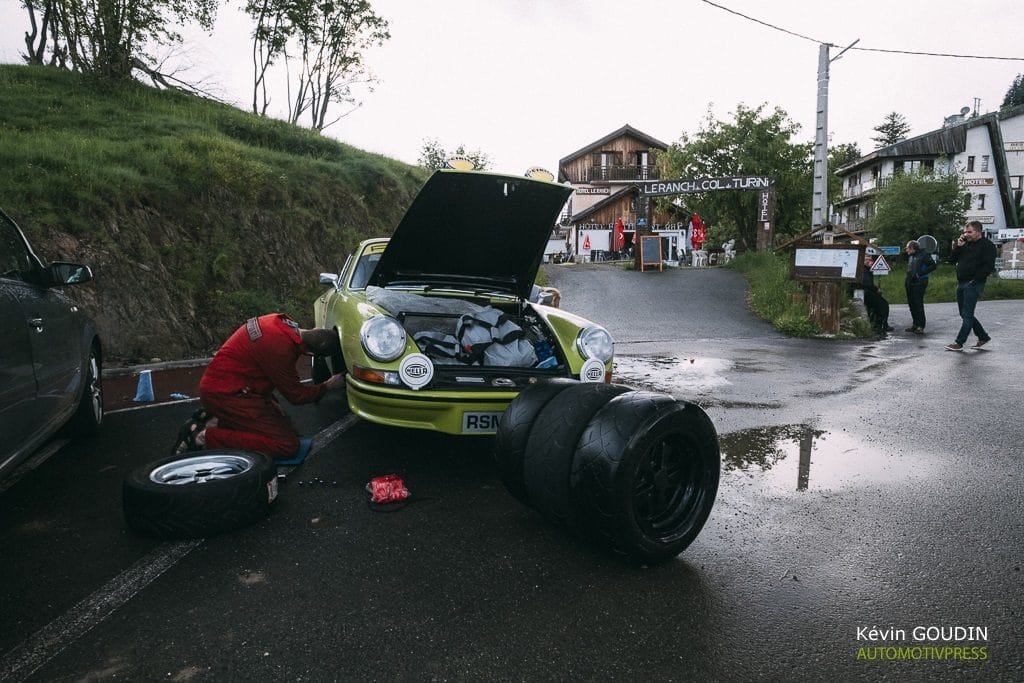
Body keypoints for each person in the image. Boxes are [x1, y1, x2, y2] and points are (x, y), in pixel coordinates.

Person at [173, 313, 345, 459]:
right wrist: (327, 386)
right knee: (286, 445)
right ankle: (206, 437)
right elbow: (296, 396)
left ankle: (218, 419)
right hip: (229, 394)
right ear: (310, 353)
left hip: (230, 384)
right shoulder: (281, 350)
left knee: (288, 429)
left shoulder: (280, 320)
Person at [945, 221, 997, 351]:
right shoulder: (965, 244)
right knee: (964, 313)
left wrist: (974, 280)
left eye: (970, 232)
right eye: (965, 232)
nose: (966, 234)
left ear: (978, 232)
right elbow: (951, 260)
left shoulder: (987, 246)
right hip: (962, 282)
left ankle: (959, 342)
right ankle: (983, 336)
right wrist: (958, 246)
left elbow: (988, 266)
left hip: (973, 283)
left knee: (967, 314)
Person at [903, 239, 937, 334]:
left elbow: (933, 266)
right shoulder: (911, 256)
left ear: (912, 248)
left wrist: (920, 274)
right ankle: (915, 323)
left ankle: (920, 326)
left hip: (920, 281)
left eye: (907, 248)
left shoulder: (924, 255)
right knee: (911, 303)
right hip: (910, 281)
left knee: (918, 303)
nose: (906, 250)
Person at [857, 251, 892, 337]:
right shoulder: (863, 271)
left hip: (864, 291)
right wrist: (876, 290)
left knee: (880, 303)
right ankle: (880, 325)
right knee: (883, 305)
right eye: (866, 259)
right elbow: (867, 284)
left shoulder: (865, 269)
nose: (869, 261)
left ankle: (880, 324)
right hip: (864, 292)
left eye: (870, 259)